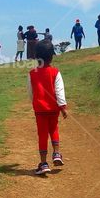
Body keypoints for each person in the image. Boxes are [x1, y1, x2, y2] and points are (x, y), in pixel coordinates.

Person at [27, 40, 68, 175]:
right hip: (53, 109)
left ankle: (44, 163)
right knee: (54, 129)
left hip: (40, 110)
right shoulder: (55, 72)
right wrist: (62, 107)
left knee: (42, 135)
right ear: (52, 56)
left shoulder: (32, 73)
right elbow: (59, 91)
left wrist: (34, 103)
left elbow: (30, 92)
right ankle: (56, 153)